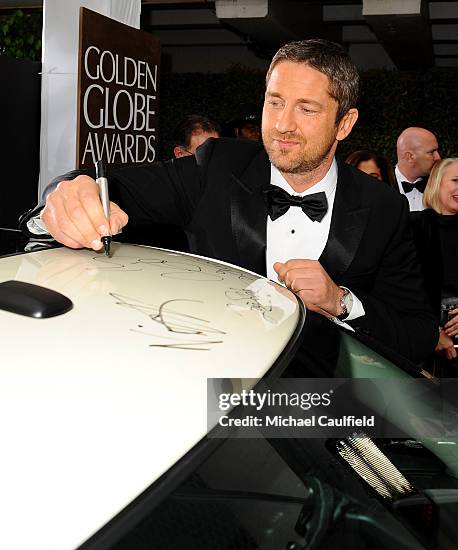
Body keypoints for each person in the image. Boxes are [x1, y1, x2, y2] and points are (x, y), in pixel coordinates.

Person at [21, 39, 437, 371]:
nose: (282, 124)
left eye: (306, 109)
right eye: (274, 102)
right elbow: (107, 185)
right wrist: (69, 194)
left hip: (320, 405)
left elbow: (418, 333)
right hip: (210, 394)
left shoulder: (383, 207)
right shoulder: (217, 167)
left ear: (344, 123)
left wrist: (341, 301)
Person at [410, 158, 458, 371]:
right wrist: (432, 331)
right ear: (437, 183)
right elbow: (400, 287)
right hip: (422, 344)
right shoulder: (412, 226)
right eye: (456, 180)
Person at [395, 127, 441, 211]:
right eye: (431, 152)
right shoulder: (381, 184)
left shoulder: (441, 186)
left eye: (437, 151)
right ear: (409, 157)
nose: (438, 157)